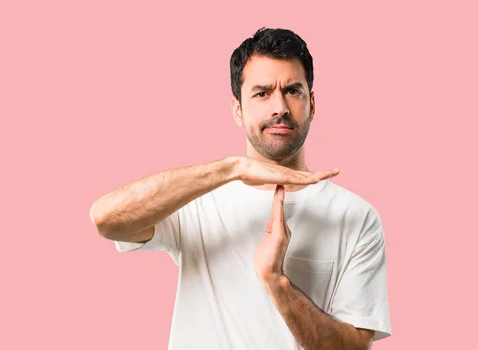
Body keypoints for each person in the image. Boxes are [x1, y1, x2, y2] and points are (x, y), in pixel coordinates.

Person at [89, 27, 391, 349]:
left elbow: (355, 348)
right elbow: (105, 219)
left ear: (312, 104)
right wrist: (233, 168)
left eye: (293, 91)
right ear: (237, 109)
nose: (280, 107)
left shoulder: (356, 217)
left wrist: (277, 283)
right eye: (262, 93)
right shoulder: (196, 200)